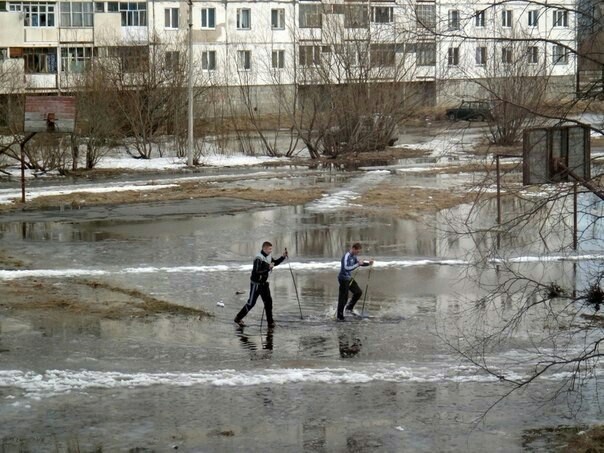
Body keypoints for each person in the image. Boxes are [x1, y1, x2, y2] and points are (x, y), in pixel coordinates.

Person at [234, 241, 288, 328]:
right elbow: (257, 271)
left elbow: (274, 263)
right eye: (269, 249)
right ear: (264, 249)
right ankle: (238, 318)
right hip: (256, 284)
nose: (271, 251)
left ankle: (270, 322)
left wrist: (283, 257)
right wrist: (268, 268)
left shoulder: (269, 256)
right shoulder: (258, 258)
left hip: (264, 284)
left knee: (268, 303)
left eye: (271, 249)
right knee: (251, 303)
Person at [337, 242, 374, 320]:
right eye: (357, 251)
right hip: (343, 279)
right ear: (353, 249)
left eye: (359, 252)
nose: (358, 253)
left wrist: (368, 264)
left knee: (358, 292)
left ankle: (348, 309)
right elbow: (346, 268)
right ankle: (340, 317)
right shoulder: (346, 256)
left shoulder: (354, 256)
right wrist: (357, 264)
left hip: (349, 278)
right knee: (344, 298)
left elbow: (359, 263)